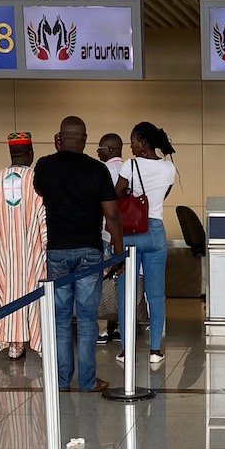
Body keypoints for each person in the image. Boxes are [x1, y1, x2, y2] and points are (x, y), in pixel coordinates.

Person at [33, 116, 124, 392]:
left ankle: (61, 381)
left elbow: (39, 189)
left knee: (60, 319)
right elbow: (112, 214)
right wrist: (118, 252)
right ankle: (86, 381)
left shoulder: (45, 166)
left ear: (58, 138)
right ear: (85, 139)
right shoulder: (97, 170)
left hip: (57, 251)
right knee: (86, 320)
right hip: (89, 252)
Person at [0, 131, 49, 361]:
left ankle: (14, 347)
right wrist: (48, 246)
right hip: (33, 253)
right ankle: (39, 343)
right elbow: (44, 218)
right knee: (35, 296)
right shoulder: (37, 179)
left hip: (3, 256)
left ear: (11, 153)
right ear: (30, 153)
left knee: (5, 296)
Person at [114, 121, 177, 367]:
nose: (130, 146)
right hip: (156, 232)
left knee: (126, 295)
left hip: (130, 234)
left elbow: (117, 194)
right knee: (156, 294)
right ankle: (155, 351)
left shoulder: (129, 166)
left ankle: (126, 349)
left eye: (132, 142)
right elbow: (162, 196)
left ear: (143, 143)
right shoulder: (169, 168)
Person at [95, 132, 126, 345]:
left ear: (112, 149)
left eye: (101, 147)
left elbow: (102, 205)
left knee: (103, 281)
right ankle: (118, 327)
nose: (97, 151)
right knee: (120, 282)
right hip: (127, 233)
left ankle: (102, 329)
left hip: (107, 234)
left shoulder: (104, 170)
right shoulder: (128, 169)